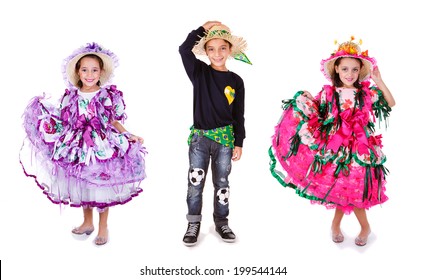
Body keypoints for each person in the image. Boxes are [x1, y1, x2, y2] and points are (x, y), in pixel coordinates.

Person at [269, 37, 395, 246]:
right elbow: (316, 112)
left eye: (355, 70)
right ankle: (336, 225)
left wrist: (379, 81)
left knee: (355, 189)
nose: (350, 74)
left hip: (360, 150)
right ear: (336, 69)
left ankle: (365, 227)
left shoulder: (366, 93)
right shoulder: (329, 94)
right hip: (337, 147)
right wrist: (306, 99)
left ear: (360, 71)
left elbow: (391, 102)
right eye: (345, 69)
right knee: (340, 185)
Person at [20, 42, 147, 246]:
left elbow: (113, 120)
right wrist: (44, 117)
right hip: (77, 145)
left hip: (101, 144)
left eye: (94, 70)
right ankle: (87, 222)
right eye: (85, 70)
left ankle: (103, 225)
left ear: (101, 72)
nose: (89, 74)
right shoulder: (70, 96)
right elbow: (64, 120)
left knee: (102, 183)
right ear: (78, 73)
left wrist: (129, 134)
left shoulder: (107, 96)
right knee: (83, 182)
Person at [178, 21, 251, 246]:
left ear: (229, 50)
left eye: (222, 48)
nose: (217, 53)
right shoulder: (199, 72)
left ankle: (221, 221)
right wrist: (202, 27)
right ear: (206, 51)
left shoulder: (236, 81)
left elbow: (239, 114)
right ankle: (193, 223)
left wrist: (239, 141)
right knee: (195, 183)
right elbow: (183, 49)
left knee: (222, 183)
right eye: (211, 49)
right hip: (200, 139)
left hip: (225, 142)